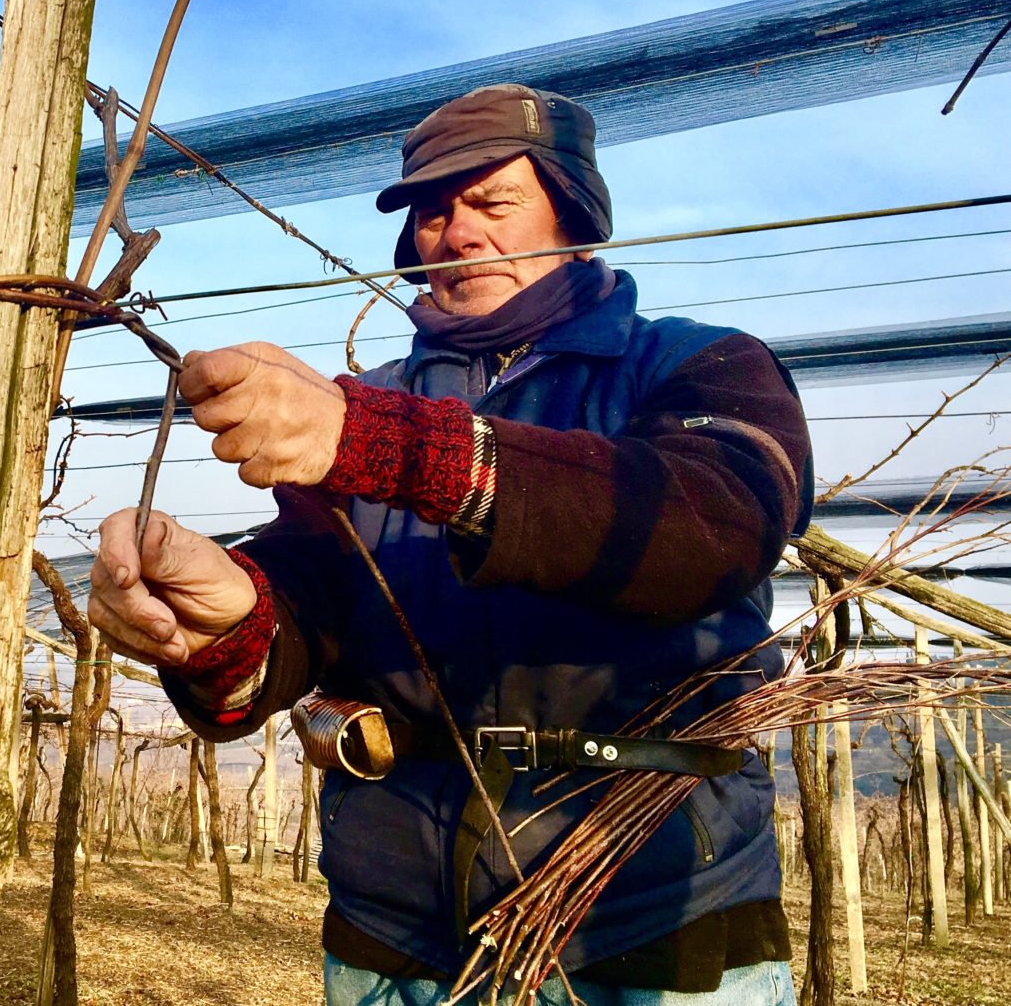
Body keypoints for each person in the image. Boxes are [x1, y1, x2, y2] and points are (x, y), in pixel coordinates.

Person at [90, 84, 812, 1005]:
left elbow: (712, 527)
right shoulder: (369, 400)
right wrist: (223, 616)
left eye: (491, 201)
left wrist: (386, 441)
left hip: (655, 927)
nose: (456, 233)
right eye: (432, 211)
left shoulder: (701, 365)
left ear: (577, 214)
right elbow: (313, 600)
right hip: (397, 940)